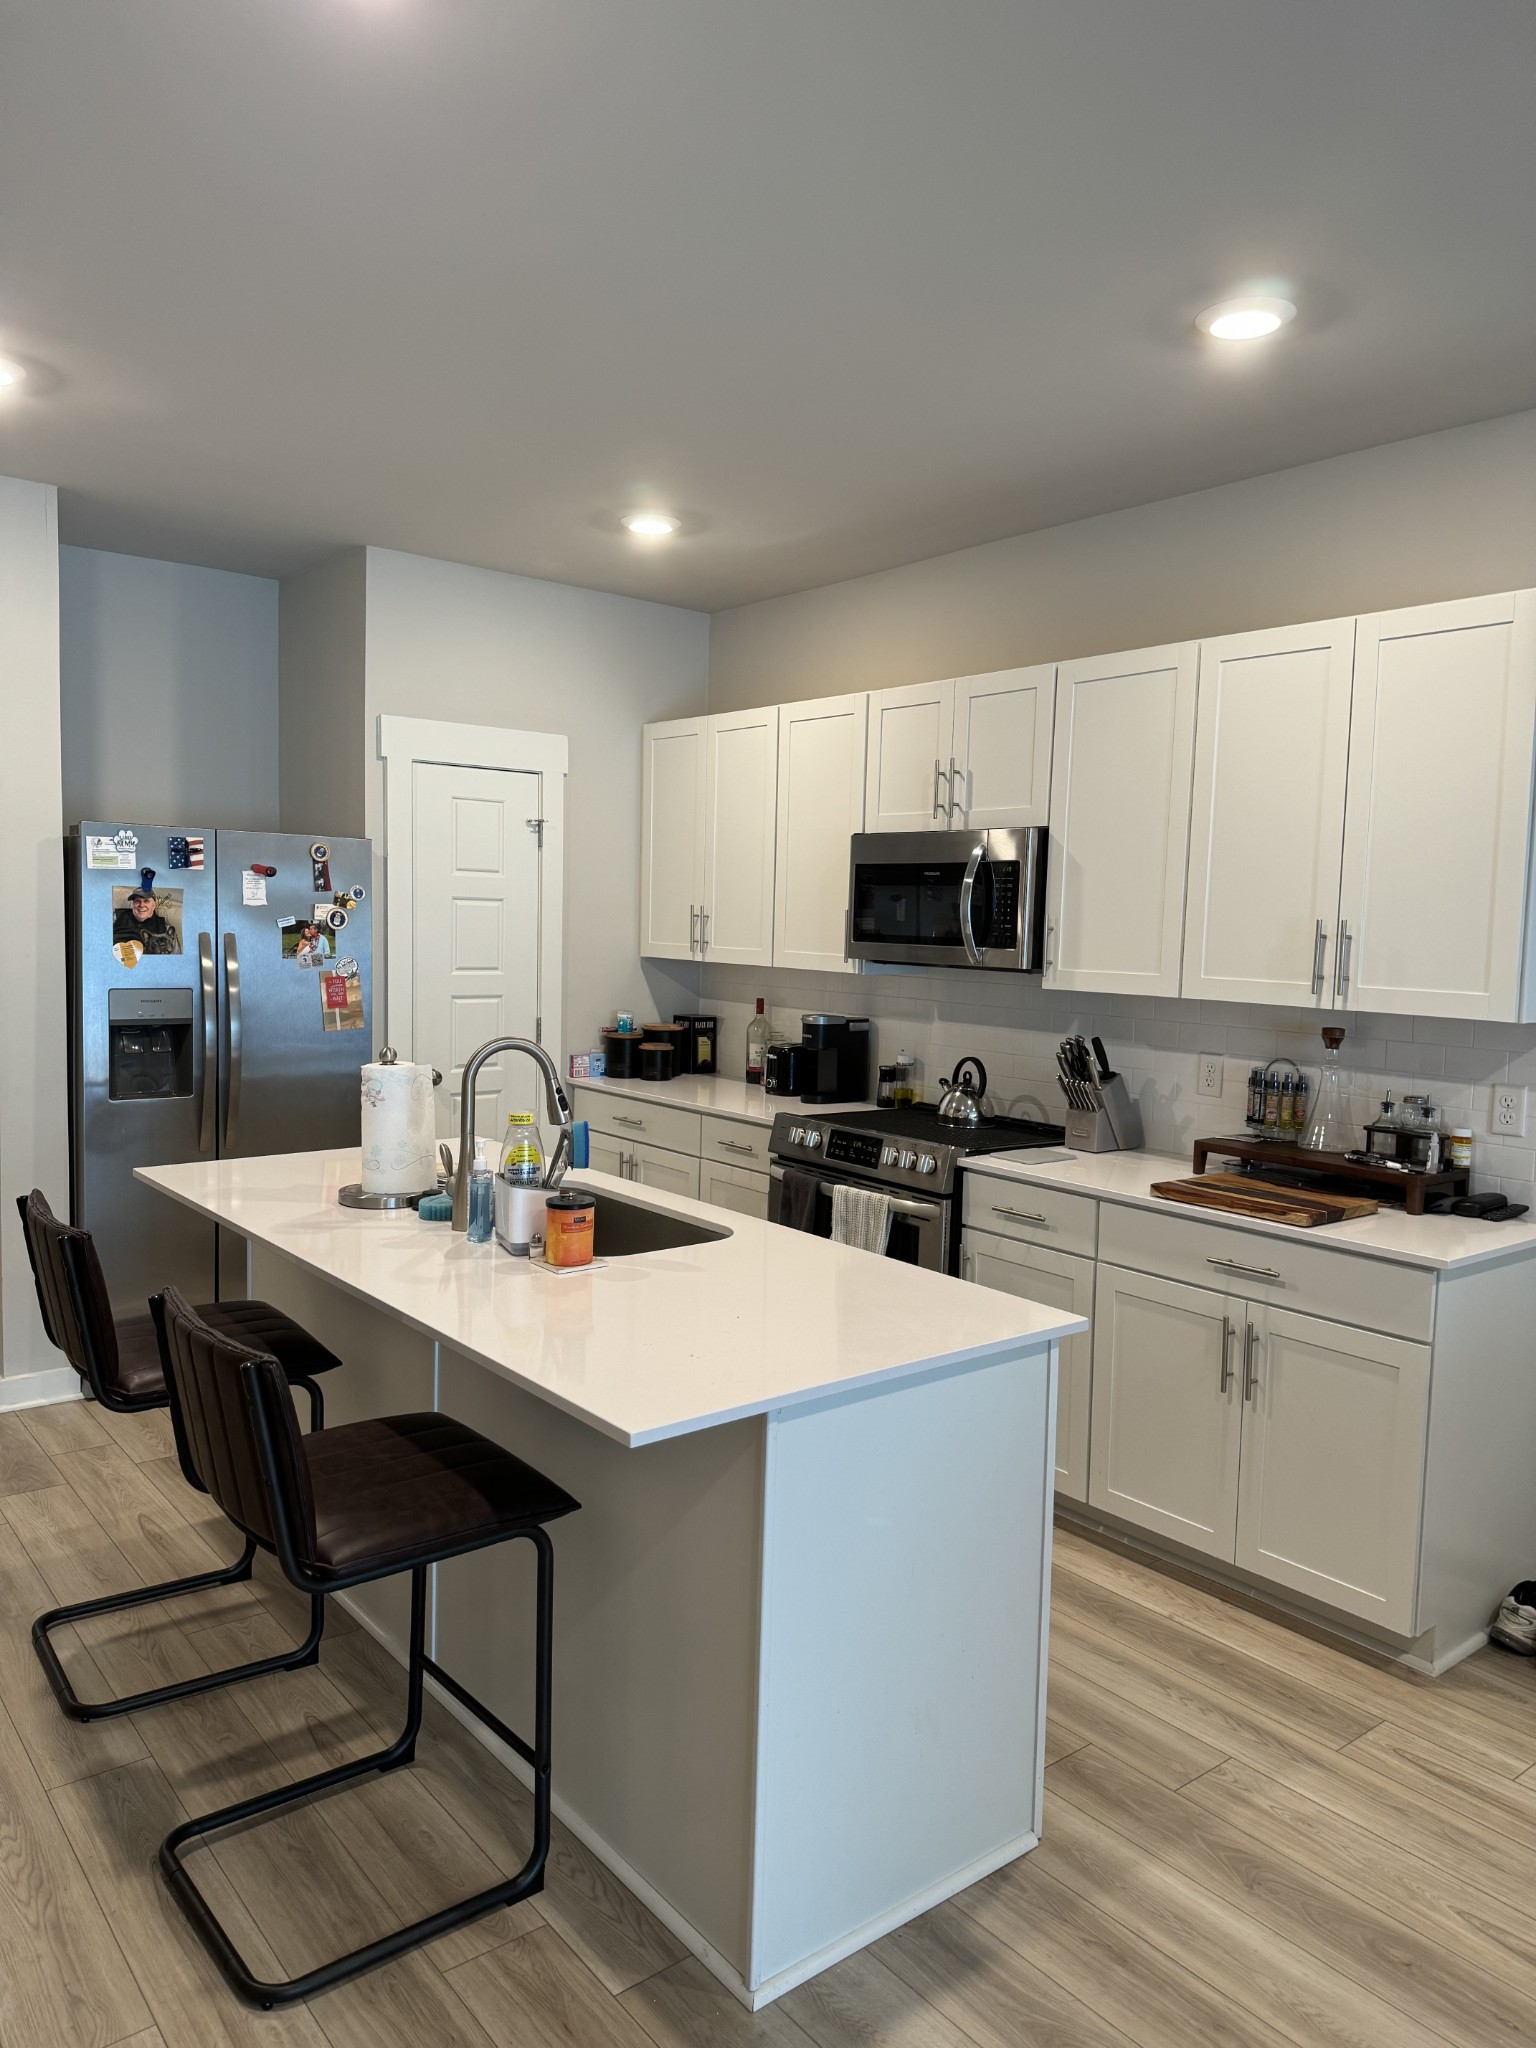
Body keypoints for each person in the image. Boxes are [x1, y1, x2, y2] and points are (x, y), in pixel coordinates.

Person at [113, 888, 178, 955]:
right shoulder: (117, 916)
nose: (141, 905)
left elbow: (174, 955)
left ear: (154, 905)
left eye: (146, 901)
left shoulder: (164, 927)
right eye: (137, 901)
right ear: (132, 905)